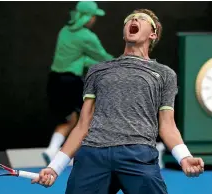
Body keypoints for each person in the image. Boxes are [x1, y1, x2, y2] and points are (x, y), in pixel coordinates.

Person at [33, 8, 205, 194]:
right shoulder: (97, 71)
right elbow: (83, 124)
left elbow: (167, 125)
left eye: (141, 18)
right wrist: (55, 167)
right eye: (130, 18)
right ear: (125, 32)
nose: (134, 19)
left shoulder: (165, 75)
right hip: (93, 155)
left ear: (153, 34)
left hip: (138, 155)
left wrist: (184, 157)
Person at [42, 1, 114, 165]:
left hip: (54, 81)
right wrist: (121, 63)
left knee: (69, 120)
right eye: (94, 16)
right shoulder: (87, 36)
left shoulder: (64, 31)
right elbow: (102, 57)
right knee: (91, 116)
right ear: (88, 17)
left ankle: (52, 150)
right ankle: (87, 154)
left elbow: (79, 59)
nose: (95, 19)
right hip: (71, 82)